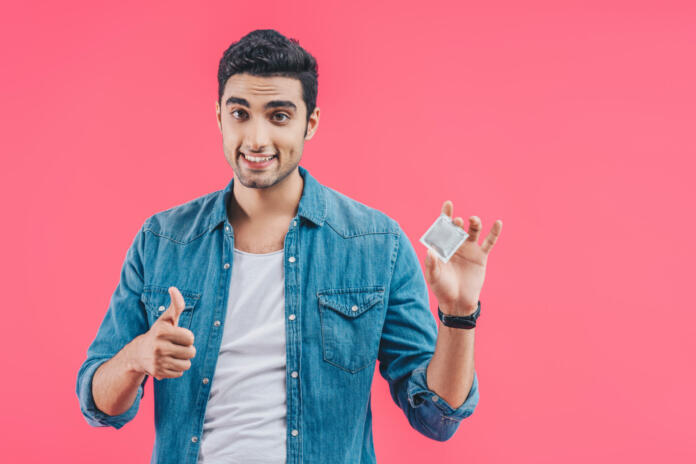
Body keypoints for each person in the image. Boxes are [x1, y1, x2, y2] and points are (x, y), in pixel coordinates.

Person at [75, 29, 502, 464]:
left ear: (310, 122)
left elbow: (436, 416)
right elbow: (99, 404)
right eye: (240, 113)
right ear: (219, 117)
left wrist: (459, 313)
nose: (257, 139)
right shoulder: (162, 240)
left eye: (278, 116)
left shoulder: (377, 245)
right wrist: (136, 357)